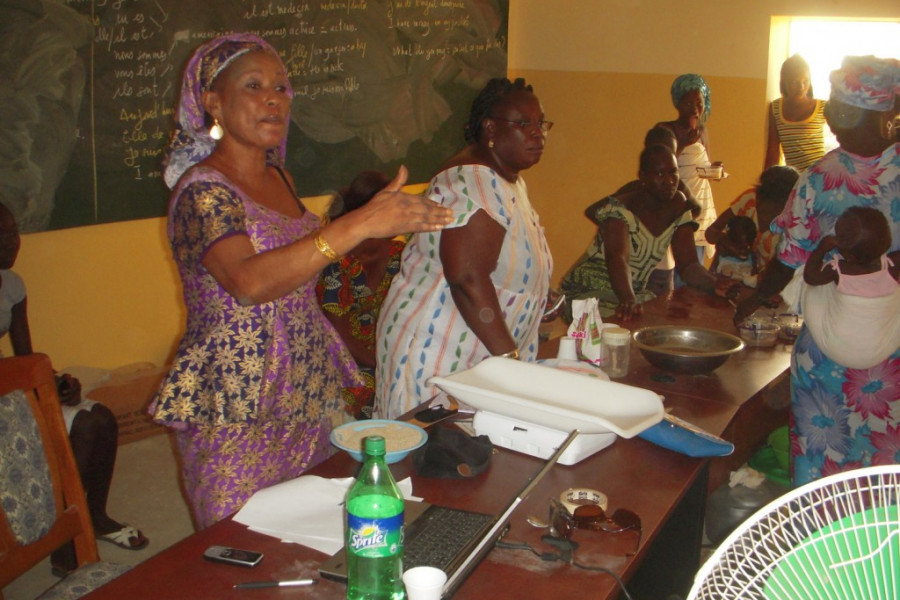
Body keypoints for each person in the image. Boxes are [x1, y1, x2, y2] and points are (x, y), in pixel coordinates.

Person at [149, 34, 452, 528]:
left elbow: (306, 263)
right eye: (253, 86)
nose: (273, 98)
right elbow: (248, 283)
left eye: (282, 87)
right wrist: (356, 224)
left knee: (305, 529)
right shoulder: (201, 191)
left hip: (303, 387)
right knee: (237, 537)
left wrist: (379, 232)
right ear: (212, 102)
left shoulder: (282, 179)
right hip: (236, 395)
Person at [734, 55, 900, 487]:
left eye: (849, 114)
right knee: (824, 476)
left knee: (879, 476)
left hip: (888, 355)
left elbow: (792, 259)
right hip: (828, 358)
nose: (837, 124)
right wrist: (751, 298)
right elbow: (789, 258)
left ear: (885, 115)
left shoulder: (823, 178)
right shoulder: (818, 178)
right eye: (837, 113)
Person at [374, 77, 553, 420]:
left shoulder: (506, 179)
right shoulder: (472, 181)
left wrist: (537, 292)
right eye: (523, 123)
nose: (537, 133)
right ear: (490, 128)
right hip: (438, 350)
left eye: (541, 123)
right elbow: (467, 278)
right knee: (427, 458)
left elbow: (500, 258)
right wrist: (510, 364)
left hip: (475, 350)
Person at [0, 202, 148, 573]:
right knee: (73, 428)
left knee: (98, 418)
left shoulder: (12, 285)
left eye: (14, 231)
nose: (12, 242)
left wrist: (54, 386)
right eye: (1, 235)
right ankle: (61, 537)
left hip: (9, 390)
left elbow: (26, 357)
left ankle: (90, 518)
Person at [559, 144, 721, 321]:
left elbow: (689, 265)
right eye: (660, 174)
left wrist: (716, 284)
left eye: (673, 172)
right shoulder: (621, 208)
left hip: (629, 295)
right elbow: (618, 258)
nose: (669, 181)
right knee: (618, 333)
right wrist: (628, 299)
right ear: (643, 177)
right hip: (589, 294)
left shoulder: (677, 206)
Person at [316, 171, 406, 420]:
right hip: (344, 362)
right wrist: (386, 367)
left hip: (387, 359)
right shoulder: (337, 260)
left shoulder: (402, 255)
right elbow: (339, 337)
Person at [585, 126, 701, 298]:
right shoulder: (634, 190)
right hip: (631, 272)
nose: (668, 179)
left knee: (660, 308)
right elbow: (594, 211)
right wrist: (627, 234)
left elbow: (695, 210)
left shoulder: (677, 190)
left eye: (671, 153)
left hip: (664, 266)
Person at [800, 206, 900, 370]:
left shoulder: (838, 270)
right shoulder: (894, 264)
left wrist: (821, 250)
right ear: (887, 242)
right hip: (880, 350)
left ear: (848, 254)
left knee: (808, 287)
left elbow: (810, 278)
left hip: (838, 348)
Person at [656, 73, 719, 266]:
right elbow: (660, 167)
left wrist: (715, 170)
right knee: (672, 267)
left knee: (694, 266)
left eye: (699, 103)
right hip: (675, 205)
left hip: (700, 205)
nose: (695, 109)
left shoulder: (702, 130)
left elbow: (703, 165)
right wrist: (683, 144)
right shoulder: (665, 129)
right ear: (677, 103)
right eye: (688, 104)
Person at [705, 165, 799, 281]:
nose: (764, 218)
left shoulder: (794, 226)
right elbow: (711, 233)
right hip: (732, 277)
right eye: (762, 210)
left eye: (773, 212)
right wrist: (729, 244)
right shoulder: (750, 200)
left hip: (766, 285)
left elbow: (780, 276)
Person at [764, 54, 827, 172]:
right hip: (795, 180)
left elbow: (846, 137)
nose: (801, 87)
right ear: (784, 82)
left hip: (820, 176)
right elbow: (773, 151)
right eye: (795, 82)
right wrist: (766, 183)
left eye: (805, 81)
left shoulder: (822, 107)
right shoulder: (776, 108)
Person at [709, 215, 757, 284]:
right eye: (739, 247)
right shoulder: (721, 254)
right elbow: (712, 272)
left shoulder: (752, 257)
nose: (743, 251)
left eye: (747, 247)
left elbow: (754, 277)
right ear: (729, 242)